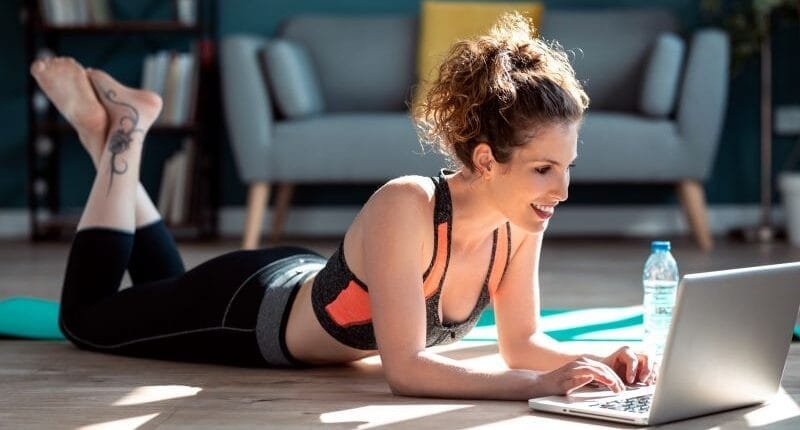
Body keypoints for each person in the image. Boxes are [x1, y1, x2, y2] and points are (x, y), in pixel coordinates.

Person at [34, 12, 654, 401]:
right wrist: (538, 387)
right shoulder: (407, 205)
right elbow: (407, 370)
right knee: (86, 321)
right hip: (242, 312)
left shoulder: (520, 219)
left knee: (159, 288)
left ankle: (106, 136)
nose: (561, 191)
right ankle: (125, 135)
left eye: (567, 168)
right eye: (545, 170)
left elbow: (521, 344)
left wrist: (600, 363)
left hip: (290, 279)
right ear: (488, 159)